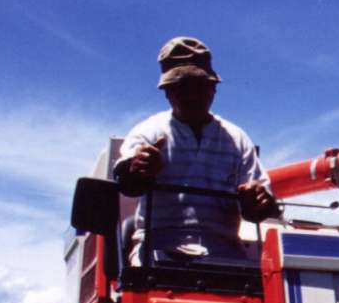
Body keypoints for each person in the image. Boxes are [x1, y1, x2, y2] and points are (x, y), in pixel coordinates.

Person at [114, 37, 277, 264]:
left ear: (213, 88)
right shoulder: (147, 132)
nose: (191, 95)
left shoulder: (238, 139)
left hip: (224, 254)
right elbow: (127, 184)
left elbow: (259, 211)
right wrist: (136, 170)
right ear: (167, 92)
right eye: (181, 87)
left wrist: (258, 200)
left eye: (199, 86)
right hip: (156, 250)